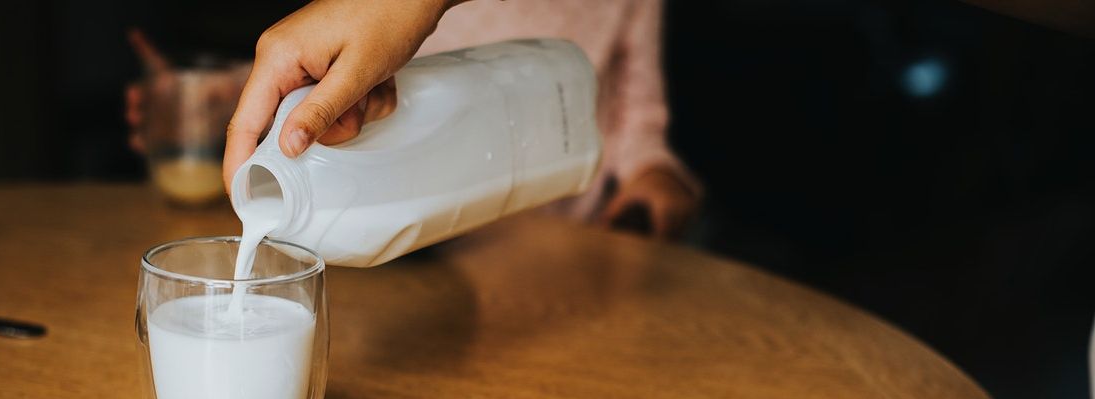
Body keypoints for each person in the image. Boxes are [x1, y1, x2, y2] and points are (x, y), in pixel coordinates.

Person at [131, 0, 702, 239]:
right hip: (413, 244)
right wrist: (219, 99)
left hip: (550, 250)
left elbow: (639, 127)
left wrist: (658, 180)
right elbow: (344, 85)